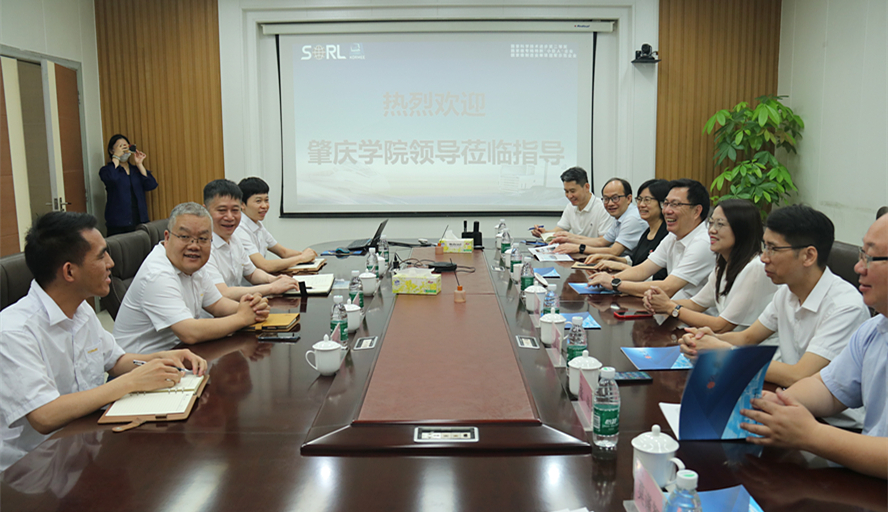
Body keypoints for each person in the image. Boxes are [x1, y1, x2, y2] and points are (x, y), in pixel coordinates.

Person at [0, 212, 207, 470]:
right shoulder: (14, 331)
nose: (111, 263)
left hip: (84, 444)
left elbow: (116, 361)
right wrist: (130, 382)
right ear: (69, 271)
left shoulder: (81, 310)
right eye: (101, 256)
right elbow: (44, 416)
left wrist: (163, 357)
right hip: (33, 468)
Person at [680, 205, 870, 427]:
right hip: (786, 403)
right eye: (765, 247)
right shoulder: (787, 292)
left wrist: (724, 352)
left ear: (808, 256)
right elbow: (747, 337)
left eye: (773, 249)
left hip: (832, 425)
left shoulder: (845, 307)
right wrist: (705, 339)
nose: (763, 258)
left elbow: (799, 375)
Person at [740, 213, 888, 479]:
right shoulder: (874, 330)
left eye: (871, 258)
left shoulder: (848, 306)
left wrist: (812, 434)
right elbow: (829, 388)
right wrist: (781, 403)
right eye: (861, 254)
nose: (858, 268)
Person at [113, 202, 270, 354]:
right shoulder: (157, 274)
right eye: (184, 236)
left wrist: (251, 308)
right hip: (143, 365)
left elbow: (217, 305)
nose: (194, 246)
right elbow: (189, 332)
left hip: (179, 354)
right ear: (167, 238)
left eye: (203, 238)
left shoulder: (194, 265)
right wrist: (242, 318)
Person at [643, 199, 778, 333]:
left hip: (753, 345)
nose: (712, 230)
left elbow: (721, 325)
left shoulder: (755, 267)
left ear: (742, 230)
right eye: (711, 223)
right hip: (725, 341)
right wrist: (658, 301)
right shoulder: (723, 265)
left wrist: (670, 307)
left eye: (720, 224)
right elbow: (695, 304)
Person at [587, 178, 715, 299]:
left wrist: (614, 284)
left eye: (675, 204)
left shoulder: (703, 243)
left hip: (691, 314)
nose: (667, 210)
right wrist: (610, 279)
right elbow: (643, 270)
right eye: (666, 204)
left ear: (696, 211)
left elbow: (668, 287)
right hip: (669, 307)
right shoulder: (673, 236)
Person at [202, 180, 300, 299]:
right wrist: (272, 287)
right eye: (222, 210)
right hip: (221, 310)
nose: (230, 217)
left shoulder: (234, 239)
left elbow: (252, 273)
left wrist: (274, 279)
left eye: (235, 210)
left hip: (240, 305)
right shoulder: (203, 247)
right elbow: (223, 293)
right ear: (205, 211)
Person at [582, 179, 670, 281]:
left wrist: (620, 267)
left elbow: (658, 277)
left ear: (663, 204)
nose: (641, 205)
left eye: (647, 200)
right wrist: (611, 259)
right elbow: (634, 260)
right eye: (639, 199)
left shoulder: (667, 235)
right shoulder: (648, 231)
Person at [233, 177, 318, 273]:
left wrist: (306, 255)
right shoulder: (239, 230)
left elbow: (283, 252)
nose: (264, 206)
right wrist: (301, 258)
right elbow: (264, 265)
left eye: (266, 200)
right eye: (258, 201)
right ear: (242, 204)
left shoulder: (258, 225)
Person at [550, 178, 647, 257]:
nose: (610, 203)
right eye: (606, 199)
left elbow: (614, 251)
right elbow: (602, 242)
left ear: (629, 198)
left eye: (615, 198)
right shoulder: (620, 216)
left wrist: (578, 248)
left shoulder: (632, 218)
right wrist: (569, 239)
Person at [99, 134, 158, 236]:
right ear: (111, 150)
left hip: (139, 219)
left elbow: (151, 185)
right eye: (121, 147)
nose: (124, 150)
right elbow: (112, 178)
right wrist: (116, 157)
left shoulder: (135, 170)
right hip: (118, 222)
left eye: (126, 147)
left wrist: (139, 164)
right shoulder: (107, 170)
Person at [530, 167, 613, 240]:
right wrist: (544, 233)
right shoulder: (570, 207)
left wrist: (573, 238)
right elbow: (558, 231)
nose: (569, 196)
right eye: (566, 191)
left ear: (586, 187)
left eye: (573, 191)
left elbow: (603, 241)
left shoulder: (603, 208)